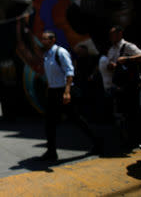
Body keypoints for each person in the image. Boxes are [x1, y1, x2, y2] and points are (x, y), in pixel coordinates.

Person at [39, 30, 102, 161]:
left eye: (45, 39)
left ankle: (98, 142)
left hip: (63, 91)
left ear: (52, 40)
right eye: (42, 39)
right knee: (49, 122)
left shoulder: (60, 52)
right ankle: (51, 152)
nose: (43, 41)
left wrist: (67, 92)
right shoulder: (47, 55)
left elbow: (69, 72)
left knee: (76, 119)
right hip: (53, 91)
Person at [106, 25, 141, 154]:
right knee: (123, 114)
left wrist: (127, 59)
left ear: (120, 34)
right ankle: (127, 138)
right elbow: (112, 66)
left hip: (131, 86)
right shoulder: (112, 49)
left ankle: (138, 139)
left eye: (112, 34)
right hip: (119, 86)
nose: (110, 37)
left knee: (133, 113)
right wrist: (112, 65)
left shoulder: (128, 46)